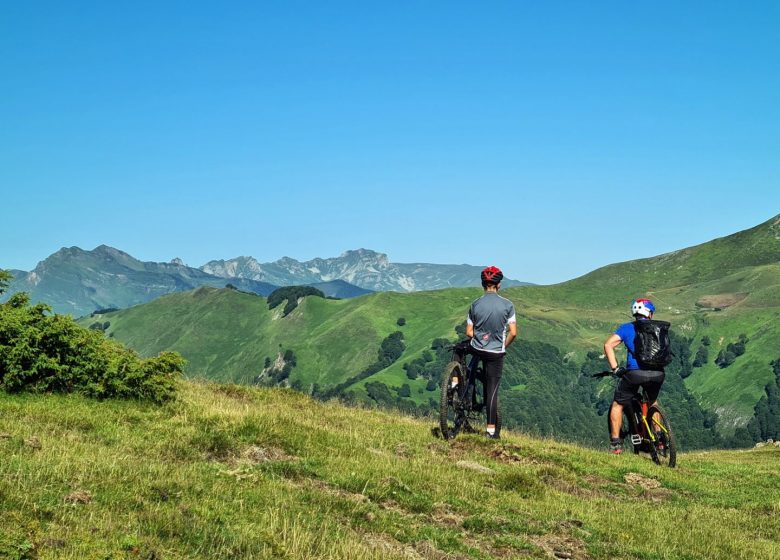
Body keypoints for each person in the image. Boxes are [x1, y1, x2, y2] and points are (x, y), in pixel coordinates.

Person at [603, 298, 666, 454]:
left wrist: (615, 368)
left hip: (635, 373)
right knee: (652, 402)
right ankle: (659, 439)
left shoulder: (626, 328)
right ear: (649, 314)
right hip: (658, 373)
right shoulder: (658, 328)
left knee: (618, 404)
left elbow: (608, 345)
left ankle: (616, 445)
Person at [465, 266, 517, 439]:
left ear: (482, 284)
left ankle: (455, 382)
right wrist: (503, 346)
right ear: (499, 285)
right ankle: (491, 431)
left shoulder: (475, 305)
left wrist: (481, 338)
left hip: (477, 346)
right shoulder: (508, 305)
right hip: (496, 352)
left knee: (458, 349)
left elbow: (469, 332)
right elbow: (514, 332)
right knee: (492, 390)